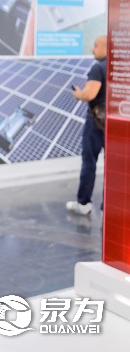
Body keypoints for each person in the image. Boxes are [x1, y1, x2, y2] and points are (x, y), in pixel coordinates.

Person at [67, 34, 108, 216]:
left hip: (96, 123)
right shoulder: (118, 68)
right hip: (114, 123)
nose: (93, 49)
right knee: (112, 166)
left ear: (106, 47)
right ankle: (108, 205)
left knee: (89, 162)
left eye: (96, 45)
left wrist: (78, 94)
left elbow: (89, 94)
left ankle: (84, 203)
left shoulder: (98, 68)